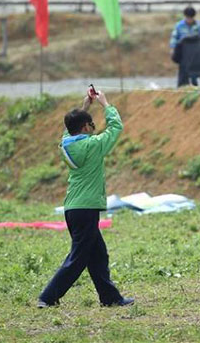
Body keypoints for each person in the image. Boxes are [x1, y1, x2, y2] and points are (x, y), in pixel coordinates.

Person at [38, 89, 133, 308]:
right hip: (87, 208)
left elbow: (70, 129)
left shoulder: (66, 144)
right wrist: (105, 103)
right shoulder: (93, 145)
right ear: (85, 127)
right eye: (91, 125)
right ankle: (48, 296)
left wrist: (85, 105)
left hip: (73, 208)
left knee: (98, 254)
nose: (94, 128)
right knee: (79, 257)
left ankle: (110, 298)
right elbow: (116, 127)